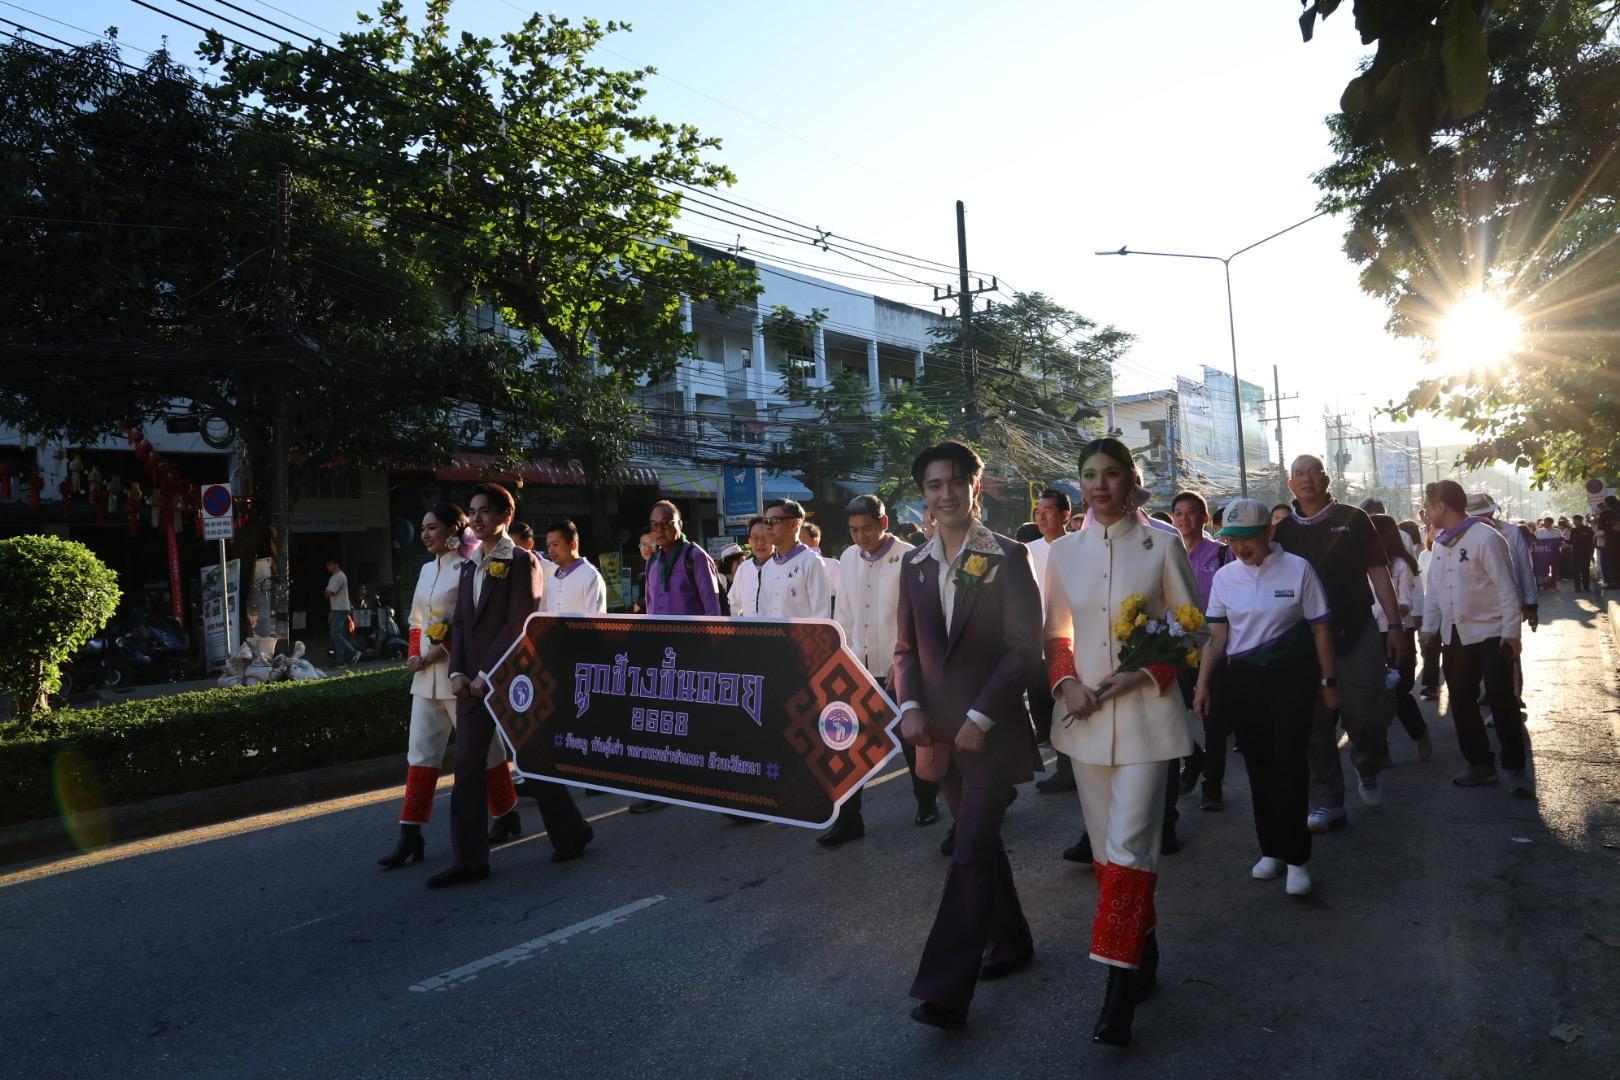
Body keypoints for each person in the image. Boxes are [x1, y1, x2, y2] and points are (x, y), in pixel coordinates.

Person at [1044, 437, 1201, 1047]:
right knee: (1110, 858)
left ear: (1132, 480)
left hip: (1147, 719)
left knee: (1131, 847)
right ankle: (1145, 949)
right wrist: (1065, 683)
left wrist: (1143, 673)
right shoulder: (1062, 552)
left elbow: (1191, 634)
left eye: (1111, 474)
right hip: (1084, 724)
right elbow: (1056, 633)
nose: (1100, 485)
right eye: (1090, 475)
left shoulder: (1162, 544)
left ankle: (1117, 990)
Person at [898, 441, 1041, 1032]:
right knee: (981, 849)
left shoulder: (1007, 556)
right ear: (924, 495)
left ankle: (945, 990)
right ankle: (1011, 942)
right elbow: (906, 649)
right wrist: (909, 705)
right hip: (937, 734)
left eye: (957, 482)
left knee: (969, 849)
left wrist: (981, 717)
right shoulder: (914, 564)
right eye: (934, 485)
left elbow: (1024, 649)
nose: (946, 494)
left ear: (975, 487)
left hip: (991, 732)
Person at [431, 484, 591, 887]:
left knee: (532, 760)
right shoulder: (469, 564)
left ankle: (572, 832)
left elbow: (518, 623)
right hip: (471, 684)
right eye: (472, 511)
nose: (476, 518)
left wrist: (487, 673)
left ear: (506, 515)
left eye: (485, 510)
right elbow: (461, 624)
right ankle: (470, 860)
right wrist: (457, 672)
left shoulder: (523, 561)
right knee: (467, 768)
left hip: (512, 679)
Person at [1194, 498, 1337, 898]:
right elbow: (1216, 637)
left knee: (1289, 764)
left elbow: (1321, 630)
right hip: (1243, 680)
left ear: (1269, 532)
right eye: (1231, 539)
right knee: (1258, 767)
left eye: (1248, 538)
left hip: (1292, 677)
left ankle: (1297, 859)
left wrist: (1330, 682)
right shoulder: (1225, 577)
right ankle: (1271, 849)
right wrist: (1203, 685)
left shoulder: (1298, 569)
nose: (1240, 547)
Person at [378, 503, 518, 869]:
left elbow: (467, 624)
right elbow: (416, 620)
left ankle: (506, 812)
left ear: (453, 530)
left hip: (460, 677)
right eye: (423, 528)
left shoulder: (469, 567)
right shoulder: (426, 569)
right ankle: (411, 833)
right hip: (424, 680)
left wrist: (432, 654)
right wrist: (414, 653)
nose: (425, 534)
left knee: (487, 752)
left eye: (432, 528)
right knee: (420, 756)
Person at [1274, 456, 1407, 833]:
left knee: (1366, 713)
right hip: (1305, 638)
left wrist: (1394, 625)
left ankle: (1367, 764)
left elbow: (1379, 573)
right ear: (1291, 484)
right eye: (1298, 474)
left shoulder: (1354, 519)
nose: (1306, 479)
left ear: (1326, 478)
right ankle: (1328, 801)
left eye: (1312, 472)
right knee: (1314, 723)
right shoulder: (1283, 531)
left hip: (1356, 629)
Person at [819, 494, 935, 847]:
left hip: (902, 666)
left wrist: (907, 662)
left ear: (883, 523)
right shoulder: (847, 558)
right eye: (854, 530)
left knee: (912, 739)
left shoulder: (910, 557)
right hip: (858, 666)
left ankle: (926, 802)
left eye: (867, 528)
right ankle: (849, 820)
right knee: (847, 744)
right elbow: (845, 613)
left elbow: (919, 618)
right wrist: (842, 658)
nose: (860, 537)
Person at [1420, 481, 1531, 794]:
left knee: (1500, 697)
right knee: (1461, 699)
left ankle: (1515, 767)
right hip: (1455, 634)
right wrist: (1429, 628)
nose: (1426, 512)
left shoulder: (1486, 537)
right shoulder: (1439, 544)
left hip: (1492, 633)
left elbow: (1506, 588)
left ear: (1441, 506)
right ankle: (1480, 763)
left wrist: (1512, 633)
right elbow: (1434, 592)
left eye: (1428, 506)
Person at [1169, 490, 1234, 809]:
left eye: (1191, 512)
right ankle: (1194, 757)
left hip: (1214, 646)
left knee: (1213, 719)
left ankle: (1213, 785)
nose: (1184, 519)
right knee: (1169, 711)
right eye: (1179, 513)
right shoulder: (1167, 554)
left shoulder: (1222, 555)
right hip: (1175, 648)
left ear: (1205, 518)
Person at [1370, 514, 1432, 761]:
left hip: (1397, 633)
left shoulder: (1399, 565)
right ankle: (1380, 751)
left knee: (1397, 691)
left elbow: (1405, 602)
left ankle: (1420, 734)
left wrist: (1388, 615)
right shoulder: (1361, 563)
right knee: (1374, 694)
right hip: (1369, 635)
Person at [1028, 491, 1077, 796]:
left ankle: (1070, 769)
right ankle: (1064, 764)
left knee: (1068, 706)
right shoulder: (1027, 551)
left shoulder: (1078, 547)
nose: (1041, 516)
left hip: (1070, 641)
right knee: (1043, 709)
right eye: (1038, 511)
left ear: (1065, 515)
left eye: (1048, 510)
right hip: (1036, 643)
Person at [644, 500, 722, 617]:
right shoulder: (652, 561)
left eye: (666, 523)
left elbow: (712, 607)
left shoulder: (695, 556)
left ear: (680, 524)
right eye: (655, 525)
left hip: (690, 629)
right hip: (657, 629)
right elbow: (649, 604)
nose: (659, 529)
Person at [758, 499, 831, 619]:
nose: (768, 527)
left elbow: (821, 615)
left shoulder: (812, 562)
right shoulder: (767, 567)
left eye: (774, 521)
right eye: (766, 522)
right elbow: (762, 614)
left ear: (794, 524)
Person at [542, 521, 606, 615]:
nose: (550, 550)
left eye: (555, 544)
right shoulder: (553, 577)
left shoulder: (590, 576)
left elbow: (595, 620)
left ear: (573, 545)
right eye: (548, 546)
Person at [323, 558, 362, 666]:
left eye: (330, 564)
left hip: (340, 609)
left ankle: (353, 652)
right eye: (327, 564)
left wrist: (327, 592)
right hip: (337, 608)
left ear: (336, 564)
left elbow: (329, 592)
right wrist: (327, 592)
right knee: (338, 635)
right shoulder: (334, 577)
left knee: (335, 634)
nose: (328, 566)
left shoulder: (339, 576)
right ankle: (340, 659)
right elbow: (328, 592)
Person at [729, 517, 771, 617]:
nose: (760, 542)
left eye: (765, 536)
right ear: (750, 541)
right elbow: (733, 606)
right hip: (749, 626)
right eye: (755, 538)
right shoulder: (743, 568)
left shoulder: (783, 566)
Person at [802, 521, 841, 617]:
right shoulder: (787, 567)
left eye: (800, 540)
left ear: (816, 541)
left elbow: (843, 598)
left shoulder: (833, 565)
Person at [1569, 514, 1596, 593]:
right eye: (1574, 521)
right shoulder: (1573, 530)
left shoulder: (1588, 529)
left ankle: (1586, 587)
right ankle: (1577, 587)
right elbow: (1571, 541)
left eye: (1576, 521)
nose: (1575, 522)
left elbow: (1592, 541)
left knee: (1585, 570)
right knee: (1576, 571)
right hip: (1575, 553)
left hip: (1585, 553)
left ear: (1580, 521)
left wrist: (1591, 552)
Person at [630, 531, 656, 614]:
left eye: (652, 544)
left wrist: (639, 603)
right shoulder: (644, 578)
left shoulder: (666, 572)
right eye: (643, 544)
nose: (647, 548)